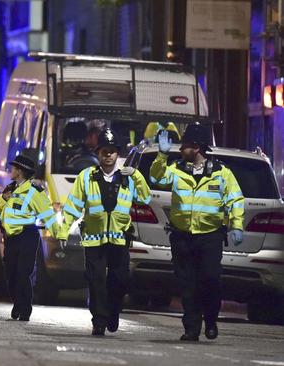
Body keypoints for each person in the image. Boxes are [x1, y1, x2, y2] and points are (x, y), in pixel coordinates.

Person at [151, 124, 244, 342]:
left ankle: (210, 320)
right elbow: (156, 177)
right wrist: (162, 155)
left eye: (185, 145)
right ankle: (191, 328)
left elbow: (235, 200)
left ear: (197, 146)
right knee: (187, 284)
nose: (181, 149)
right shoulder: (177, 169)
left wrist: (237, 226)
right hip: (182, 235)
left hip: (210, 236)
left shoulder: (222, 173)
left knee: (211, 279)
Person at [59, 128, 151, 336]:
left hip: (119, 240)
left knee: (119, 281)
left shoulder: (128, 178)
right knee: (96, 281)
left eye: (112, 151)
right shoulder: (87, 177)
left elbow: (145, 198)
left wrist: (137, 176)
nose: (108, 155)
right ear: (97, 153)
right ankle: (99, 321)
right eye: (104, 151)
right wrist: (63, 230)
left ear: (118, 154)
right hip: (94, 240)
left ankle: (113, 311)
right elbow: (72, 206)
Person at [0, 154, 61, 321]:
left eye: (14, 168)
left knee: (23, 273)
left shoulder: (34, 192)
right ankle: (18, 303)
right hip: (10, 237)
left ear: (21, 172)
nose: (11, 170)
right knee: (10, 274)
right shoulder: (9, 189)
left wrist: (59, 233)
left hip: (27, 235)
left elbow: (47, 214)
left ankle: (24, 309)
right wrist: (3, 199)